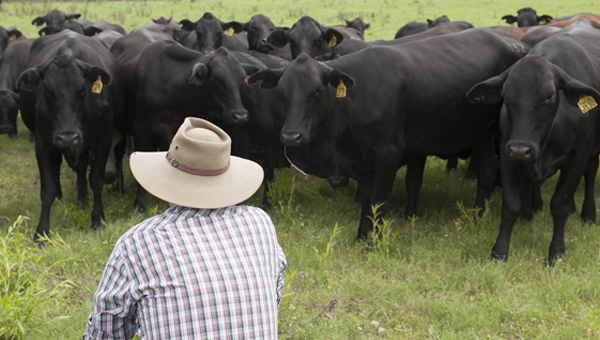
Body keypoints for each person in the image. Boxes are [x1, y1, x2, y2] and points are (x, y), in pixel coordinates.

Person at [83, 117, 287, 339]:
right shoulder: (259, 223)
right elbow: (273, 294)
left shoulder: (138, 242)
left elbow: (104, 333)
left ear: (168, 177)